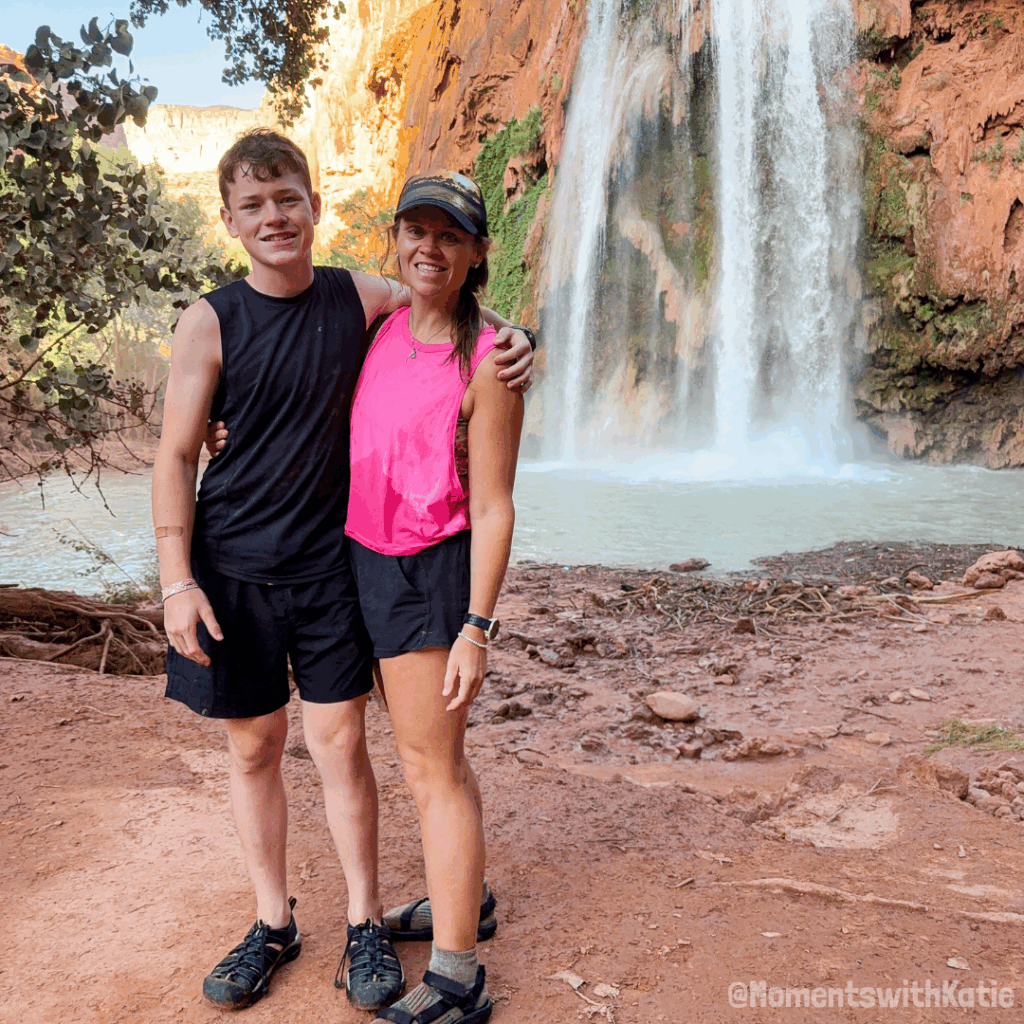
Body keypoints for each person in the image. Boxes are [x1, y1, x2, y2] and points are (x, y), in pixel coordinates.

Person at [151, 128, 534, 1012]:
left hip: (344, 574)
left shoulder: (361, 300)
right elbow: (175, 453)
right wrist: (177, 579)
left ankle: (377, 927)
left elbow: (457, 314)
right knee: (258, 748)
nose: (275, 218)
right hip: (243, 572)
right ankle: (274, 922)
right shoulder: (223, 320)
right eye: (254, 206)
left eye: (288, 199)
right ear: (230, 221)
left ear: (317, 207)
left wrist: (522, 340)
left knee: (352, 747)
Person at [345, 171, 523, 1024]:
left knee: (430, 770)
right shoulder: (377, 320)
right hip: (364, 561)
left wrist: (477, 628)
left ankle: (459, 977)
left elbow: (493, 505)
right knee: (435, 758)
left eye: (449, 235)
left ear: (477, 252)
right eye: (416, 230)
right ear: (397, 238)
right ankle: (471, 898)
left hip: (431, 571)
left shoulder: (490, 357)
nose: (430, 246)